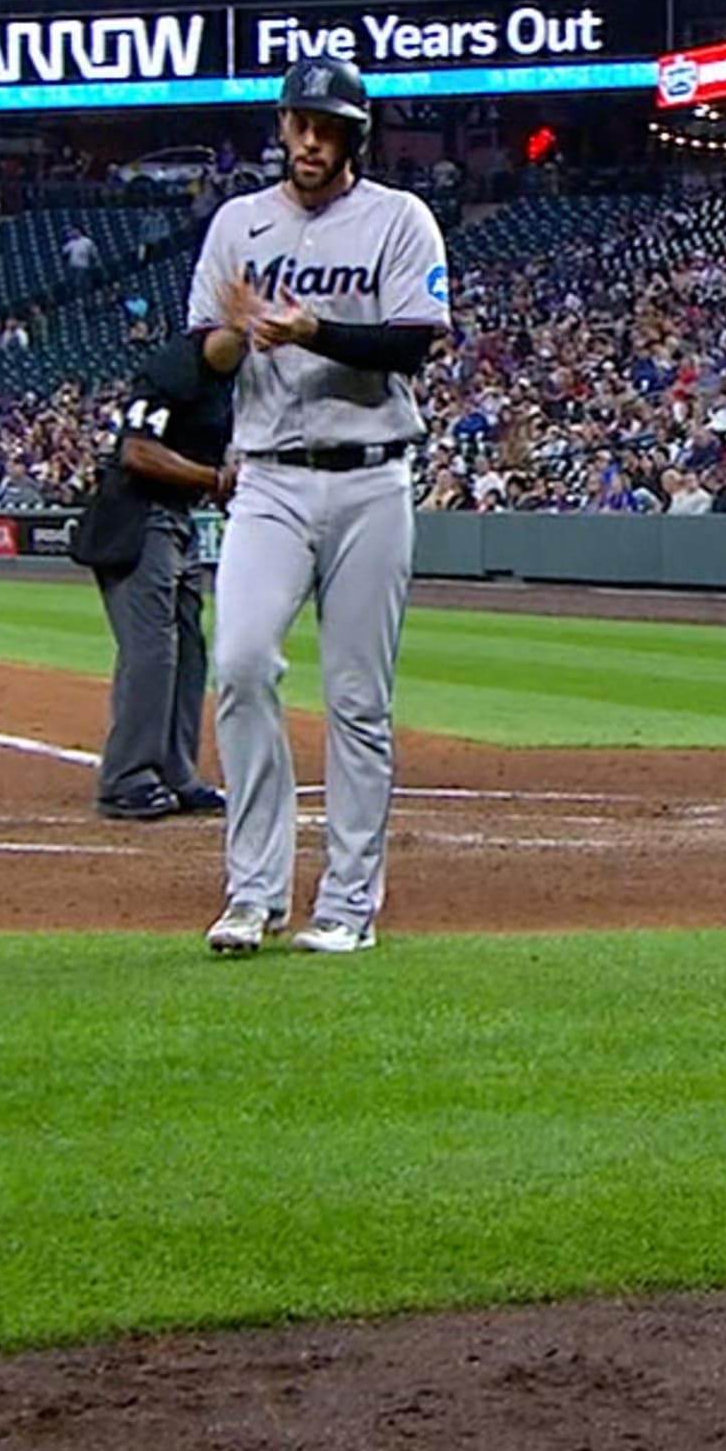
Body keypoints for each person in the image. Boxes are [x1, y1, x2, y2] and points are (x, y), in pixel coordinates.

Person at [189, 54, 448, 956]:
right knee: (242, 661)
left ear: (353, 138)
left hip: (373, 474)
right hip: (267, 474)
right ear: (282, 126)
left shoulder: (399, 220)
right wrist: (233, 334)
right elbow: (205, 360)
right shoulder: (237, 224)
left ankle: (347, 905)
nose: (310, 139)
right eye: (301, 123)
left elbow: (414, 344)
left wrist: (309, 328)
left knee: (356, 697)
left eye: (328, 127)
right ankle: (252, 893)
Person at [71, 328, 234, 820]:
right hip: (139, 520)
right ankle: (128, 778)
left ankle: (175, 773)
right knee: (153, 651)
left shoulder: (224, 383)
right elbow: (136, 452)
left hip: (178, 519)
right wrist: (216, 480)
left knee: (187, 650)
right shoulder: (174, 369)